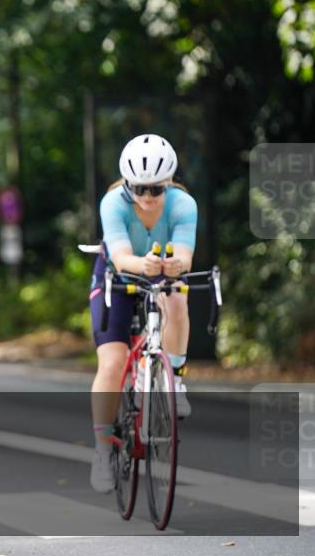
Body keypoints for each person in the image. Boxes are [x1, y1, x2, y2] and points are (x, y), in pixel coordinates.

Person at [88, 134, 197, 493]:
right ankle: (103, 450)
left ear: (168, 184)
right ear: (127, 184)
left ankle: (174, 378)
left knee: (177, 298)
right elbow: (121, 260)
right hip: (117, 275)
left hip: (162, 272)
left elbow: (184, 258)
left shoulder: (183, 205)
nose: (148, 198)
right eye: (139, 189)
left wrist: (173, 264)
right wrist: (143, 263)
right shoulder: (112, 203)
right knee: (112, 362)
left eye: (156, 189)